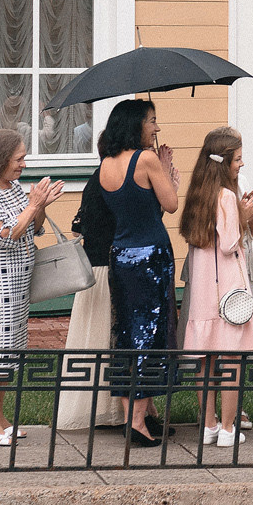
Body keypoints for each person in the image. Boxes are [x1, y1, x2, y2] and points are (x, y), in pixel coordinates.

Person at [0, 128, 64, 446]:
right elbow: (6, 234)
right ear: (1, 158)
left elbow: (32, 229)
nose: (23, 163)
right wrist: (33, 205)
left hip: (17, 288)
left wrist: (41, 205)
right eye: (19, 158)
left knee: (9, 352)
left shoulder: (14, 187)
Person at [178, 125, 253, 446]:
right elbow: (230, 242)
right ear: (224, 161)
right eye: (238, 159)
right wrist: (244, 214)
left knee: (205, 363)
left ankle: (208, 426)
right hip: (229, 292)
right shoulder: (227, 197)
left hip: (203, 293)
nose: (241, 164)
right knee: (232, 361)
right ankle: (229, 429)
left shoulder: (197, 194)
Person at [95, 99, 181, 446]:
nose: (156, 127)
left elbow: (137, 209)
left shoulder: (106, 164)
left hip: (121, 255)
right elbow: (171, 204)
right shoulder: (145, 159)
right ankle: (138, 422)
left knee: (128, 333)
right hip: (151, 255)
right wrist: (167, 171)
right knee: (152, 333)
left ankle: (138, 413)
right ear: (136, 125)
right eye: (152, 121)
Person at [59, 172, 125, 432]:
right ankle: (111, 411)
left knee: (94, 340)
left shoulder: (95, 180)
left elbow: (78, 226)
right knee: (105, 336)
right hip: (105, 270)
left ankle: (107, 410)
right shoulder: (110, 178)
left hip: (95, 268)